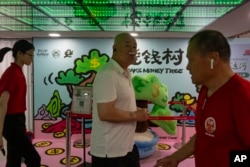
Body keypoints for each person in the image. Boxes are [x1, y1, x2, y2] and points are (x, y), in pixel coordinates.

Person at [154, 30, 250, 167]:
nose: (187, 67)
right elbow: (203, 135)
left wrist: (227, 161)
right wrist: (175, 157)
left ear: (213, 59)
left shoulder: (243, 95)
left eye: (191, 59)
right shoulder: (205, 90)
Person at [90, 33, 149, 167]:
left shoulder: (126, 73)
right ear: (114, 48)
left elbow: (119, 104)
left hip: (127, 146)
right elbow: (105, 113)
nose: (132, 50)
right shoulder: (107, 74)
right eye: (127, 45)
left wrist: (135, 110)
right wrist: (135, 115)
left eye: (135, 46)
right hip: (110, 152)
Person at [0, 40, 41, 167]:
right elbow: (2, 104)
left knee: (14, 159)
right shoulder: (11, 73)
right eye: (30, 55)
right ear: (20, 54)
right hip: (11, 122)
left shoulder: (18, 71)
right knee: (34, 158)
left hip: (18, 120)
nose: (32, 58)